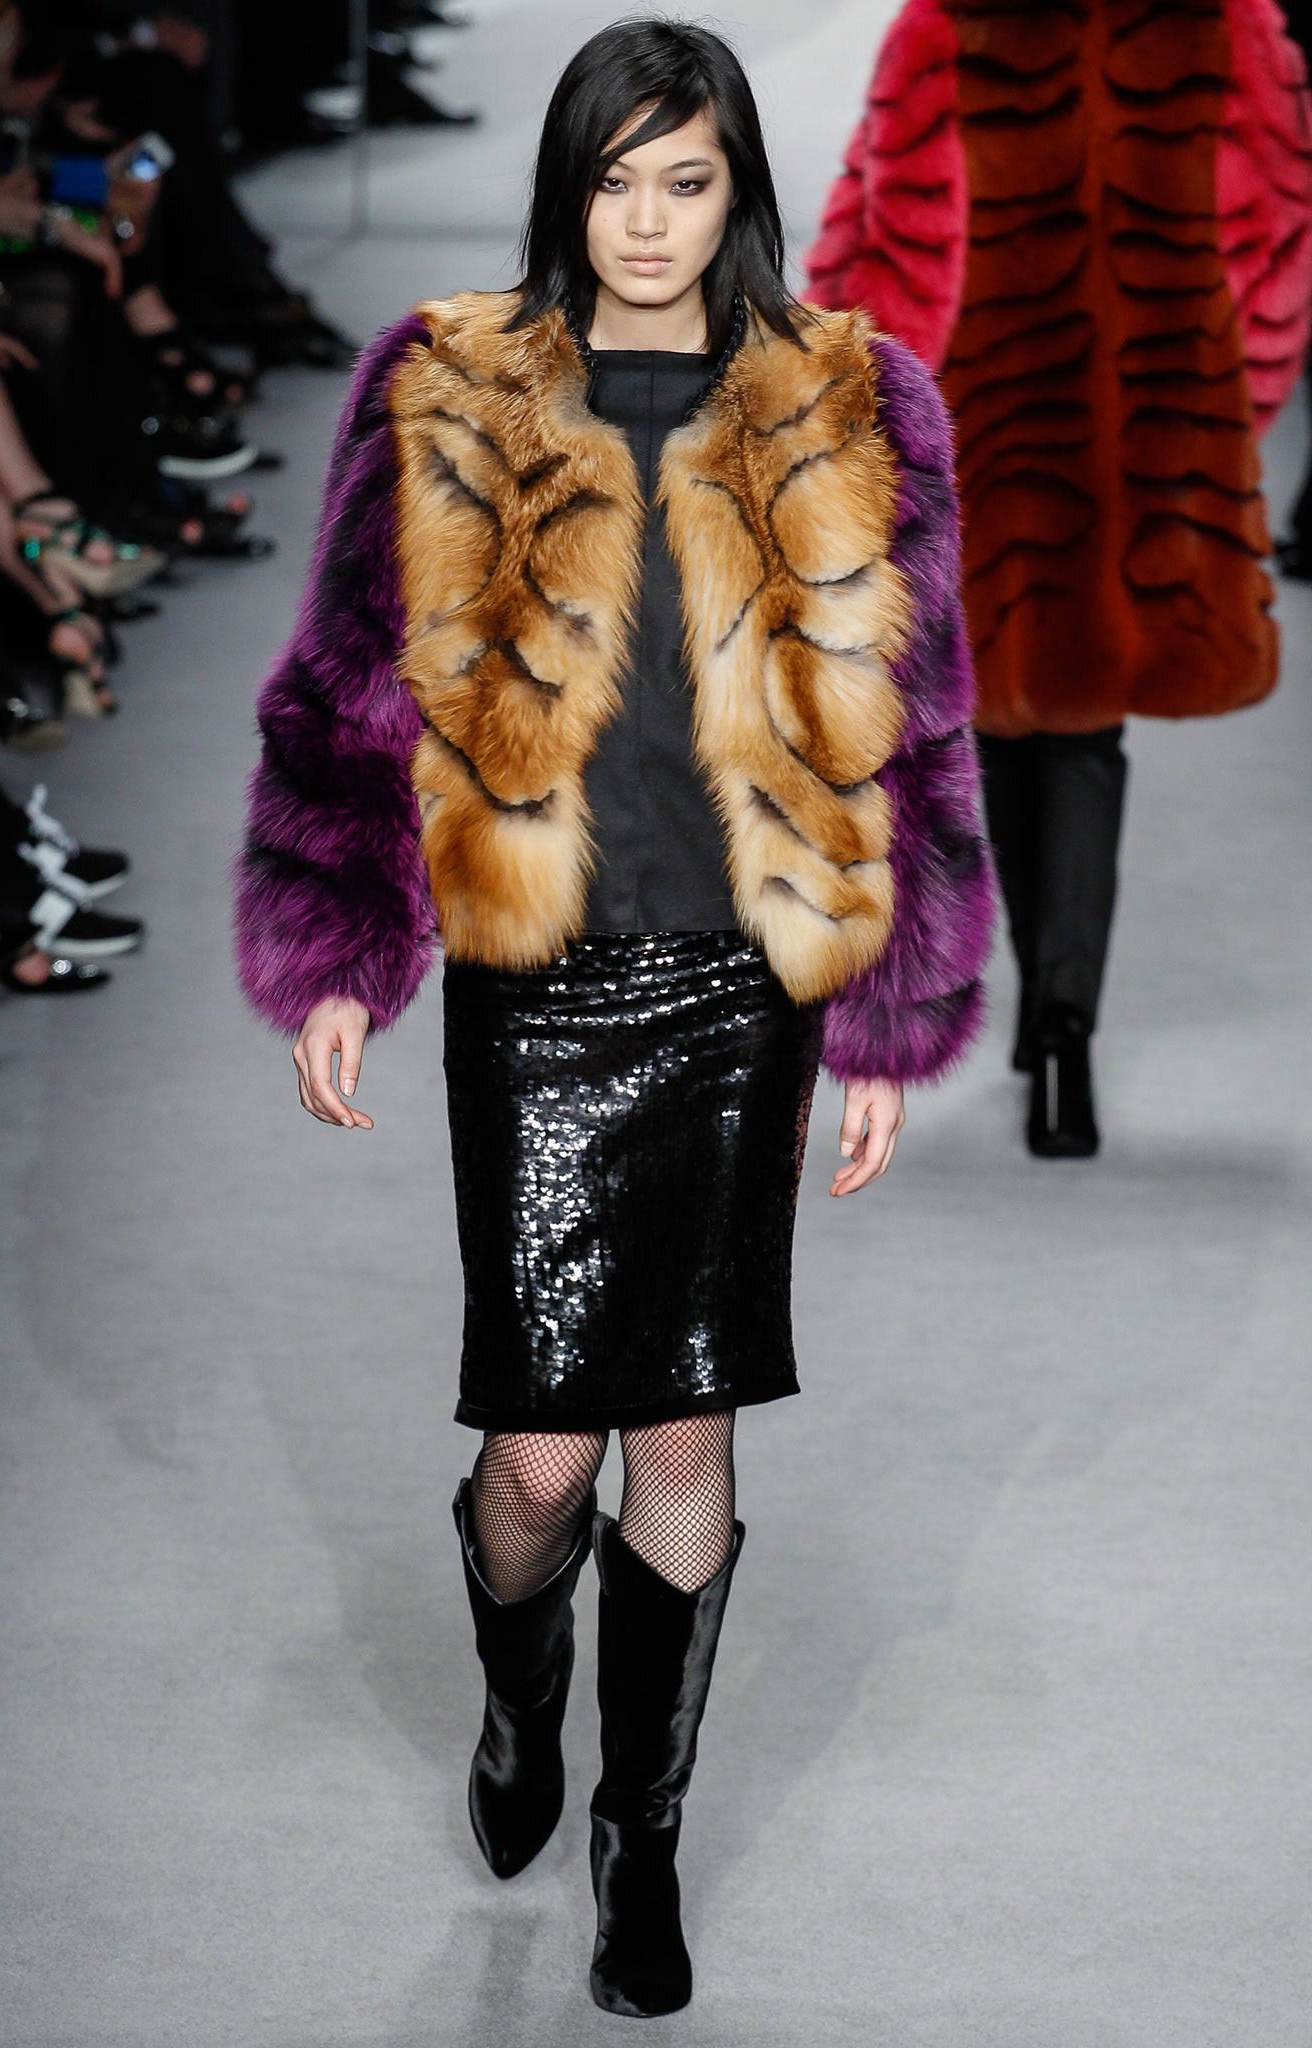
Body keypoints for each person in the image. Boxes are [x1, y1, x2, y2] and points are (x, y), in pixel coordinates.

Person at [234, 16, 994, 2020]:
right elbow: (346, 684)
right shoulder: (444, 385)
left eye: (685, 179)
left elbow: (916, 723)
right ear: (562, 188)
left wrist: (893, 1008)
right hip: (535, 992)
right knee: (536, 1455)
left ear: (737, 191)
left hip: (738, 994)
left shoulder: (854, 398)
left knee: (683, 1422)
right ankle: (518, 1687)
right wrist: (339, 945)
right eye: (611, 178)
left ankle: (637, 1837)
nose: (646, 220)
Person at [806, 0, 1312, 1157]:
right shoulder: (1227, 25)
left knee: (998, 709)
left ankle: (1044, 997)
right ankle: (1066, 1019)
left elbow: (885, 238)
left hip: (983, 420)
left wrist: (864, 422)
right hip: (1154, 420)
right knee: (1087, 728)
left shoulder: (945, 25)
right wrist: (1224, 411)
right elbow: (1275, 238)